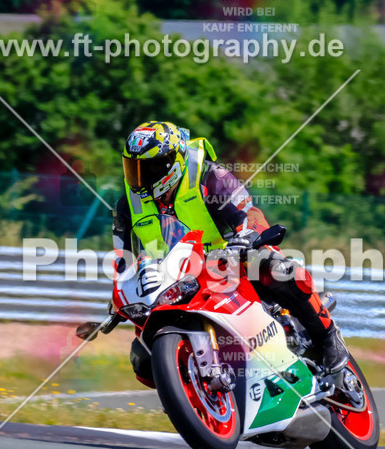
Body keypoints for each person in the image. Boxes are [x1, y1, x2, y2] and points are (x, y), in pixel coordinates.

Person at [112, 120, 349, 383]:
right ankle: (194, 396)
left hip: (231, 259)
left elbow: (248, 212)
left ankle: (327, 337)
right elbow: (124, 260)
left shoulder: (209, 176)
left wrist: (246, 234)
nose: (142, 177)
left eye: (153, 167)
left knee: (275, 268)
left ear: (174, 161)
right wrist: (120, 295)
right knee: (143, 358)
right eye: (135, 169)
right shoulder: (127, 205)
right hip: (179, 277)